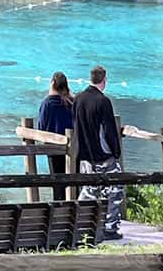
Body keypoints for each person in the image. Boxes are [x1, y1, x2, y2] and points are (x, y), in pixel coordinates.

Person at [70, 64, 125, 240]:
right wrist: (115, 152)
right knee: (115, 190)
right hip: (103, 155)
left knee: (89, 190)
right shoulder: (103, 101)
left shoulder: (78, 99)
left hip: (85, 154)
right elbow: (109, 130)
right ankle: (109, 228)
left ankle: (79, 222)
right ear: (104, 80)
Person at [36, 72, 76, 201]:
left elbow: (41, 127)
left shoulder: (47, 103)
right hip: (74, 150)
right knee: (73, 183)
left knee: (58, 185)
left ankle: (59, 213)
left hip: (53, 150)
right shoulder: (71, 102)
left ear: (52, 83)